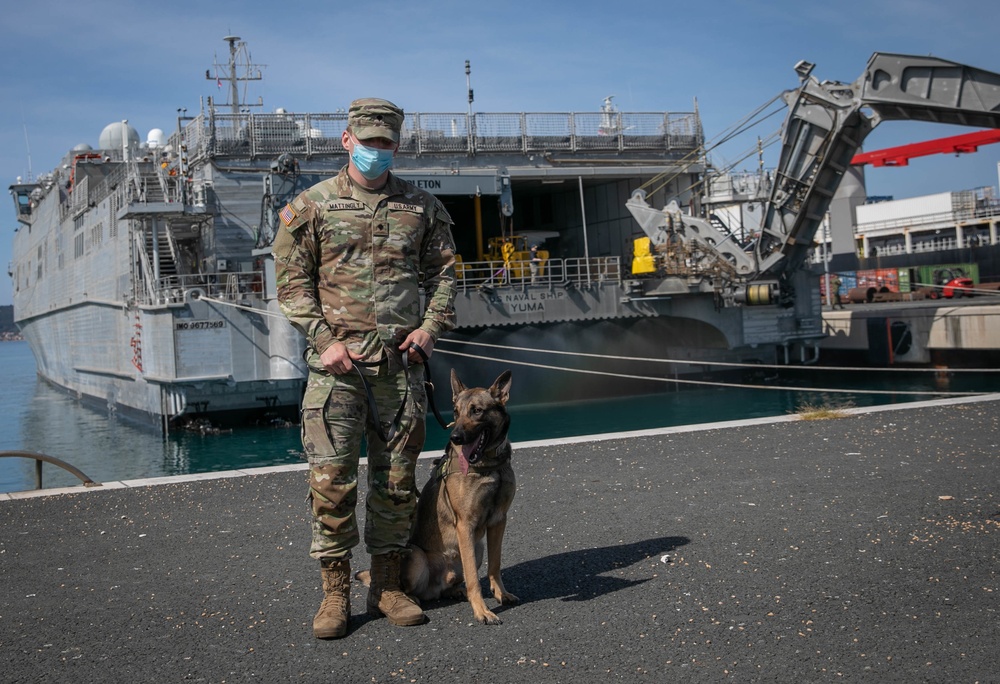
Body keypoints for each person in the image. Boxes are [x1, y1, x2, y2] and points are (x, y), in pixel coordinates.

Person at [272, 98, 458, 639]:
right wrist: (322, 338)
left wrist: (430, 328)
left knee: (397, 483)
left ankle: (387, 586)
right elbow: (291, 282)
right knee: (331, 483)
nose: (377, 151)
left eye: (386, 143)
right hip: (338, 372)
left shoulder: (421, 208)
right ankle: (335, 596)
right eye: (368, 141)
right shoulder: (313, 206)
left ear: (396, 146)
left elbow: (446, 273)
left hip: (400, 370)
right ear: (347, 140)